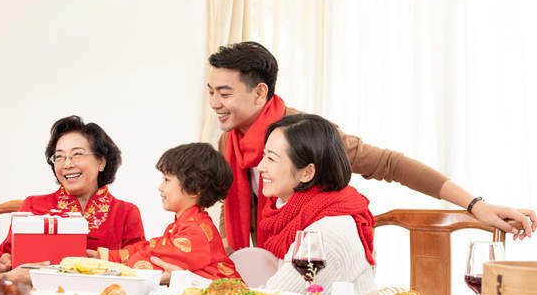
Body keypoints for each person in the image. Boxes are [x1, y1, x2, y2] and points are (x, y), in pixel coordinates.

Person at [208, 41, 535, 251]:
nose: (214, 103)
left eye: (224, 94)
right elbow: (235, 204)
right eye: (210, 92)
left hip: (318, 272)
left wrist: (475, 205)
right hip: (263, 271)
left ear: (259, 93)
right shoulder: (231, 140)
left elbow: (392, 165)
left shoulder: (306, 134)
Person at [0, 115, 145, 272]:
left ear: (101, 162)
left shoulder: (126, 212)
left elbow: (140, 264)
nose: (67, 164)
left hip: (100, 294)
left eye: (77, 154)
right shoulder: (33, 205)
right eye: (59, 156)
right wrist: (2, 264)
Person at [257, 114, 376, 295]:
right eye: (264, 155)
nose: (260, 166)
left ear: (307, 172)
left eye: (271, 159)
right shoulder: (292, 213)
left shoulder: (326, 232)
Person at [90, 143, 238, 283]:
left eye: (167, 180)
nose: (160, 187)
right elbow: (150, 248)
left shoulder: (196, 231)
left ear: (194, 189)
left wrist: (103, 267)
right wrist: (105, 256)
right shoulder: (185, 225)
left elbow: (153, 260)